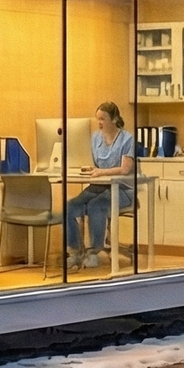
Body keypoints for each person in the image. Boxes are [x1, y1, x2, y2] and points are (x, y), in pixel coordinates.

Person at [63, 102, 134, 270]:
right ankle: (75, 251)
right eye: (98, 119)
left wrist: (102, 172)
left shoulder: (127, 139)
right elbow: (96, 164)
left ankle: (94, 252)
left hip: (122, 188)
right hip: (99, 185)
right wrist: (91, 168)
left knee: (96, 205)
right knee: (69, 207)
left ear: (114, 119)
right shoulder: (95, 137)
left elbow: (125, 169)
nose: (99, 123)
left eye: (102, 119)